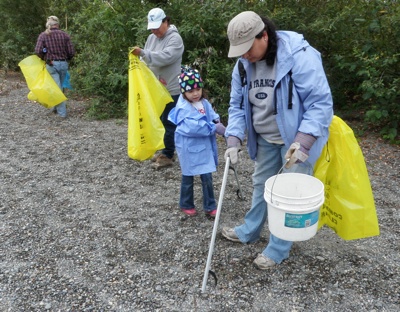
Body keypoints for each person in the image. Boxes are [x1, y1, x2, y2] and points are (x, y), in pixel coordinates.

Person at [222, 11, 334, 269]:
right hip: (265, 137)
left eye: (248, 48)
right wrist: (233, 139)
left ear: (264, 35)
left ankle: (278, 248)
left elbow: (320, 103)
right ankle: (249, 230)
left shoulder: (299, 56)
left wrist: (303, 141)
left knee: (286, 194)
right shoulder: (242, 65)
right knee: (262, 184)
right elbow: (237, 106)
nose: (244, 55)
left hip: (296, 141)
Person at [168, 68, 226, 217]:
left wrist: (215, 120)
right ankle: (186, 203)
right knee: (188, 176)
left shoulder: (203, 103)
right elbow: (192, 127)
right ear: (183, 92)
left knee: (207, 176)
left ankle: (210, 206)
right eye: (191, 91)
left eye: (198, 89)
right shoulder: (183, 108)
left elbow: (212, 114)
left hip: (203, 147)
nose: (195, 93)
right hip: (188, 147)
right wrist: (214, 128)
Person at [131, 8, 184, 170]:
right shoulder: (151, 38)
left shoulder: (175, 39)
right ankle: (163, 149)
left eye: (157, 27)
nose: (154, 31)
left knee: (169, 122)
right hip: (155, 88)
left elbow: (165, 57)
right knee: (158, 120)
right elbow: (146, 60)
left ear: (165, 21)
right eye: (152, 27)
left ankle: (168, 154)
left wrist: (144, 54)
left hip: (171, 88)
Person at [35, 16, 75, 118]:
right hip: (63, 63)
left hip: (51, 64)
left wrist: (46, 59)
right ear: (57, 24)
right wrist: (66, 59)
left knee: (57, 88)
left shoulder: (43, 35)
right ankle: (56, 109)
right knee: (59, 87)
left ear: (49, 24)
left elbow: (38, 51)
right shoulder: (65, 35)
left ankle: (62, 114)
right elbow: (71, 52)